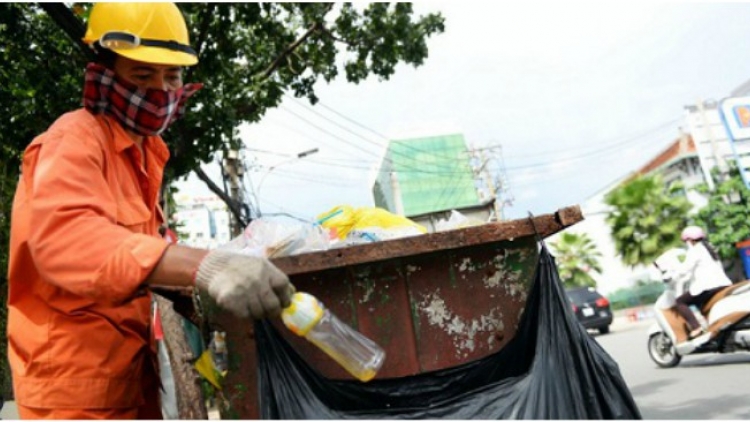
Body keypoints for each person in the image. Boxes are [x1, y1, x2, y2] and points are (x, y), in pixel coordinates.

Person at [7, 3, 294, 419]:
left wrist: (204, 282)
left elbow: (137, 258)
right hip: (74, 391)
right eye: (142, 74)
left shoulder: (144, 155)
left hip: (129, 379)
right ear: (105, 71)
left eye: (172, 76)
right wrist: (208, 267)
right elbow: (69, 241)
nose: (160, 90)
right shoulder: (72, 141)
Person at [672, 225, 732, 339]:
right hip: (723, 283)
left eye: (686, 241)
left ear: (689, 240)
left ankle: (696, 327)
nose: (686, 244)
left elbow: (685, 269)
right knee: (698, 300)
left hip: (708, 286)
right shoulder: (710, 248)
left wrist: (674, 274)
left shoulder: (695, 251)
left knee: (680, 302)